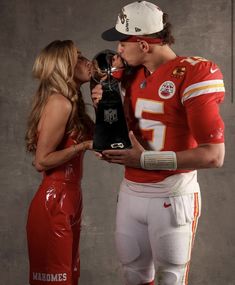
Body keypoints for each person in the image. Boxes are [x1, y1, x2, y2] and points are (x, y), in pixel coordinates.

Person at [91, 1, 225, 285]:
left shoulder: (193, 72)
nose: (118, 49)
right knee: (133, 275)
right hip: (130, 191)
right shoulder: (128, 74)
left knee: (170, 279)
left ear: (143, 44)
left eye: (122, 42)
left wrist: (145, 160)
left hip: (172, 194)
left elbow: (214, 155)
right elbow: (117, 127)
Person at [25, 40, 93, 285]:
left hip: (71, 197)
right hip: (54, 199)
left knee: (70, 277)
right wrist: (83, 146)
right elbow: (41, 161)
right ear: (65, 66)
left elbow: (107, 139)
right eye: (79, 57)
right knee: (56, 281)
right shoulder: (60, 103)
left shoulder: (74, 105)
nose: (87, 61)